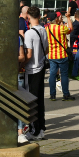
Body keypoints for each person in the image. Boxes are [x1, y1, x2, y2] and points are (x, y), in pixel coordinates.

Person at [21, 7, 47, 142]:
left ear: (28, 17)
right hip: (41, 67)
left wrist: (21, 63)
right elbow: (46, 49)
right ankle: (40, 128)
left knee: (31, 100)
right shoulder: (43, 30)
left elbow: (29, 54)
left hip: (32, 69)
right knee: (39, 99)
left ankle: (35, 130)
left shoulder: (30, 33)